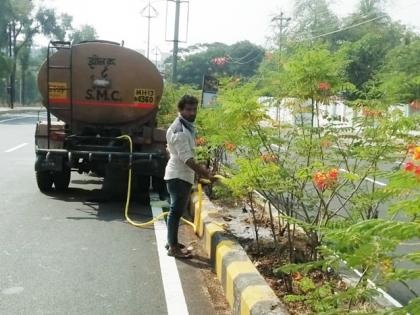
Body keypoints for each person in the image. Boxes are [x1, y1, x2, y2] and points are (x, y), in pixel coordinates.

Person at [164, 95, 212, 258]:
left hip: (180, 175)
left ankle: (171, 242)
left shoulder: (186, 126)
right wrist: (205, 173)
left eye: (194, 109)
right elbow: (187, 159)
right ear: (180, 110)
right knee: (176, 212)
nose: (192, 112)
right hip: (178, 176)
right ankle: (173, 247)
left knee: (175, 211)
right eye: (188, 109)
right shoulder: (180, 131)